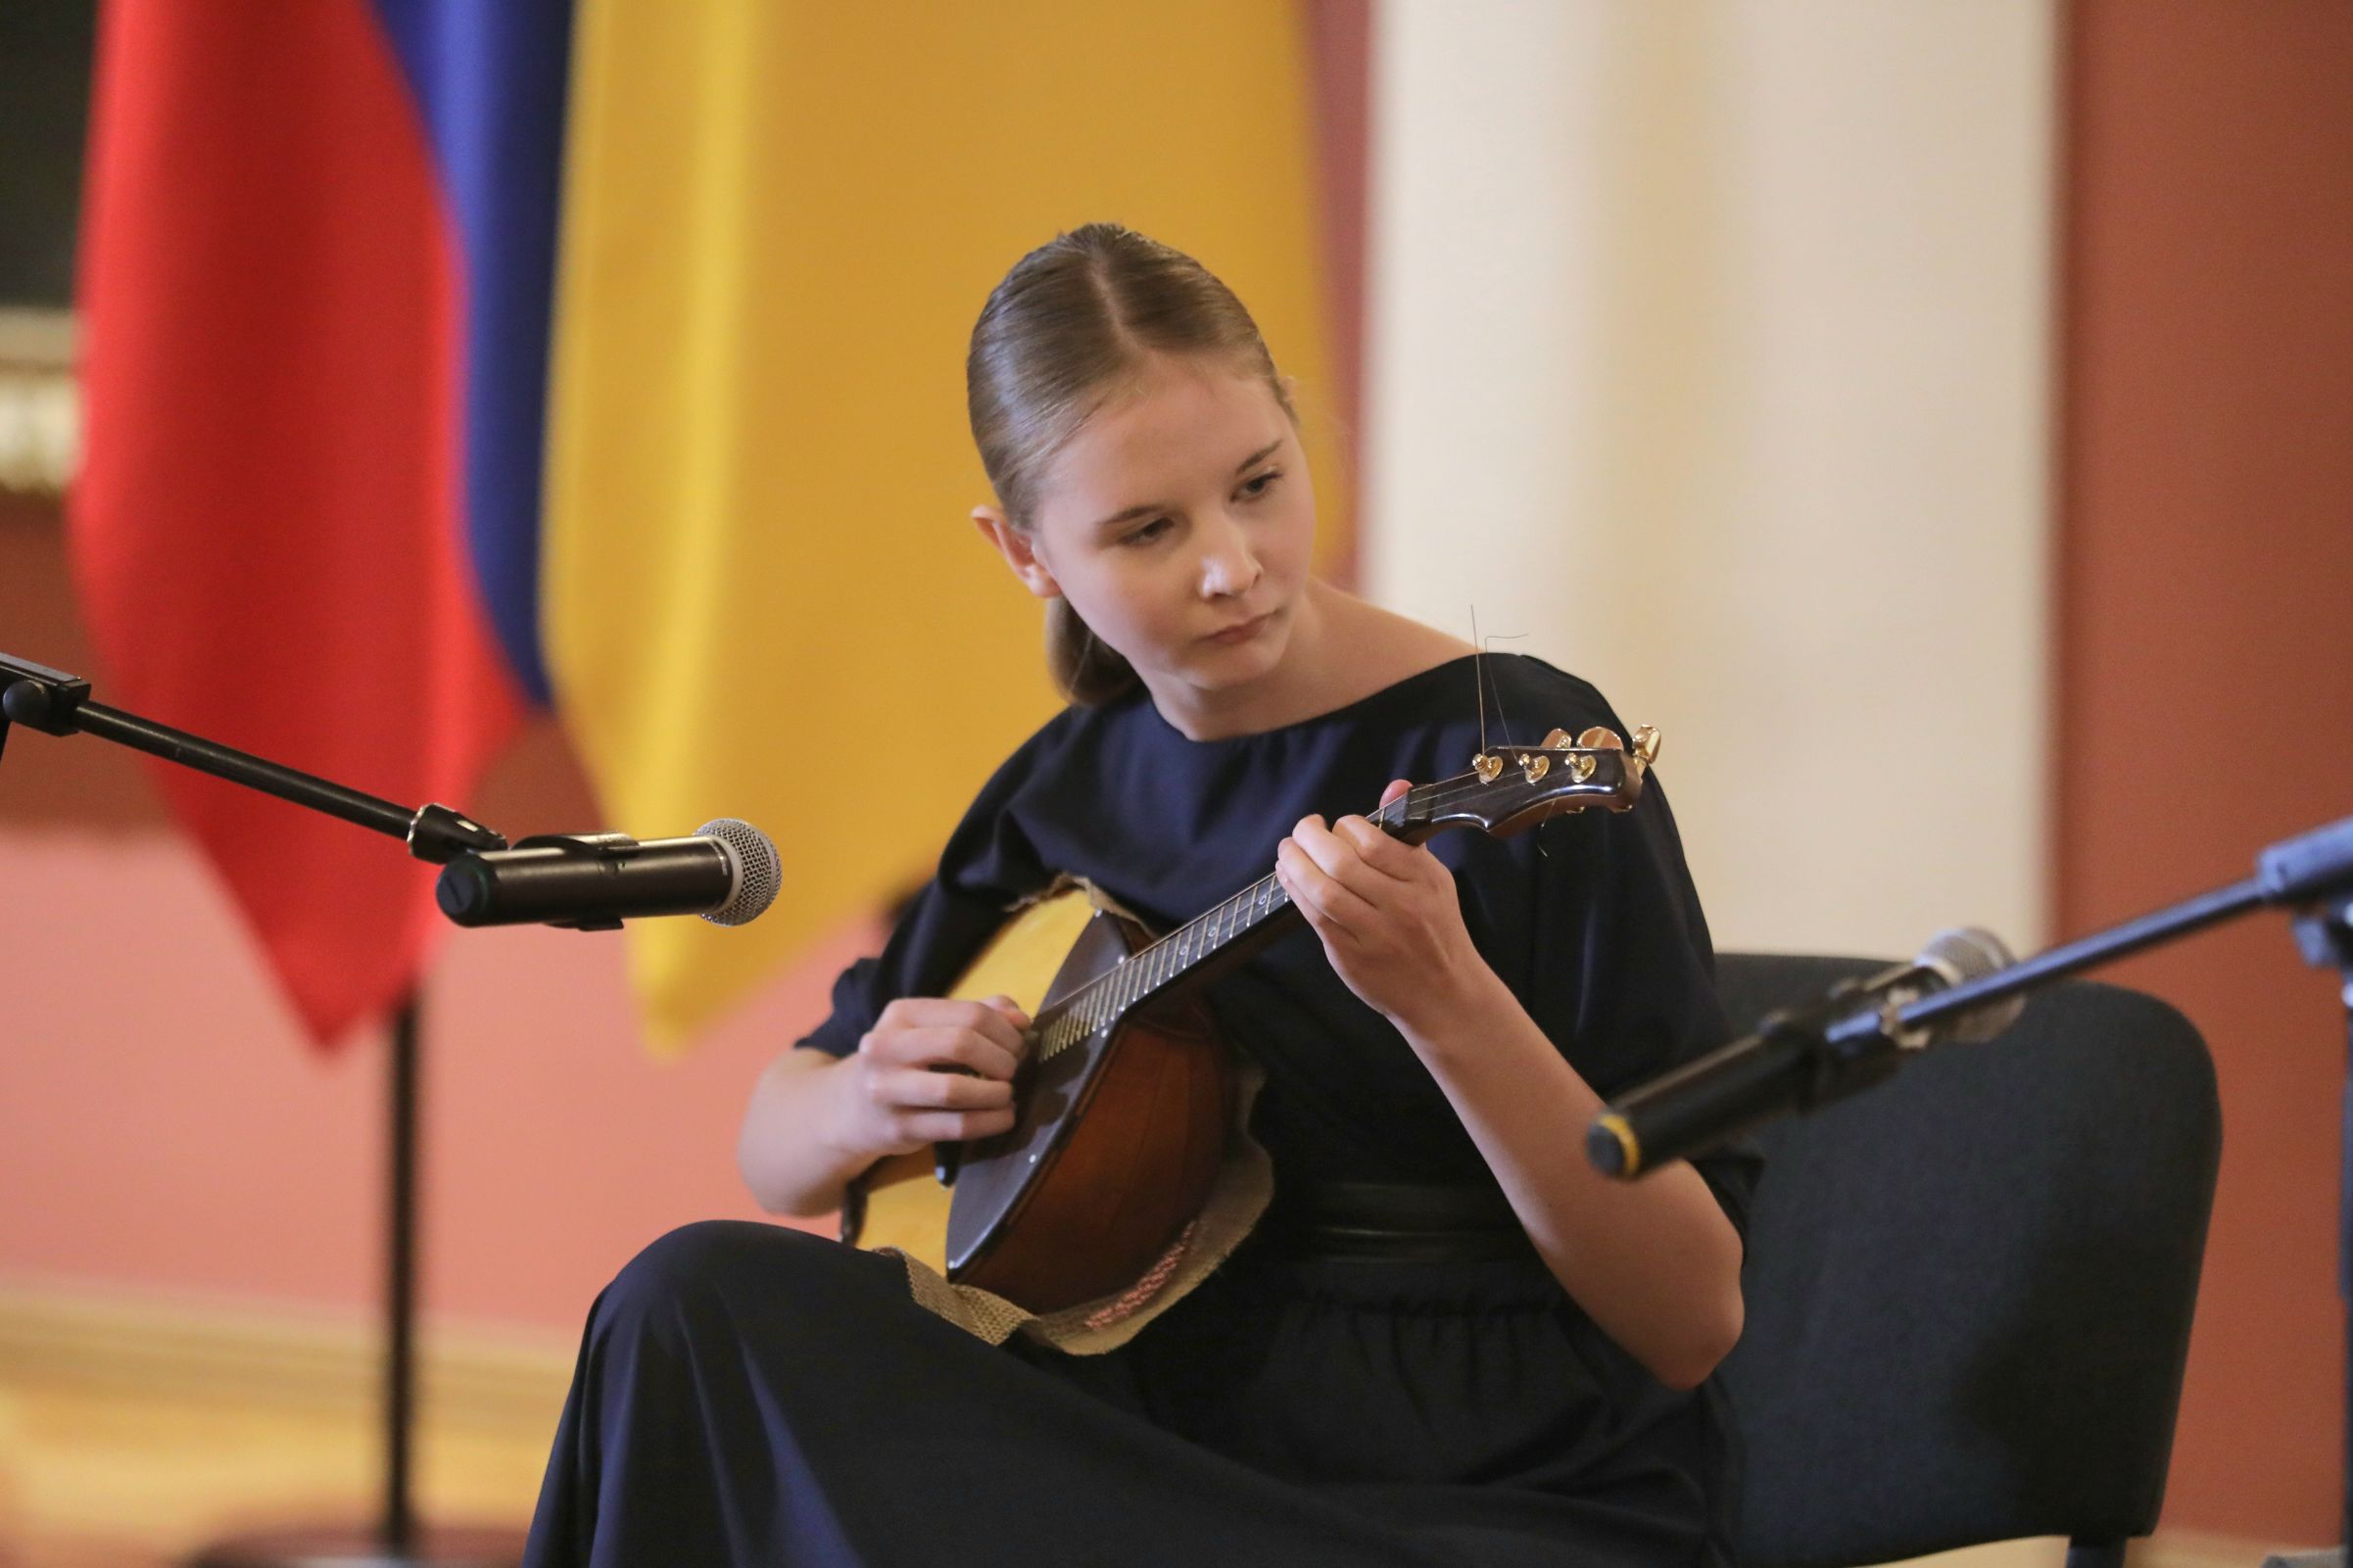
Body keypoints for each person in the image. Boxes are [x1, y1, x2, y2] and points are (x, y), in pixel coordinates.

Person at [523, 223, 1756, 1568]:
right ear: (1025, 553)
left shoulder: (1515, 743)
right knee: (686, 1301)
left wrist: (1447, 1001)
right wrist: (871, 1093)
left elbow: (1691, 1313)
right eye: (1148, 528)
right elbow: (777, 1146)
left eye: (1257, 483)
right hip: (1124, 1414)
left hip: (1486, 1472)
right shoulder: (1061, 788)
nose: (1229, 563)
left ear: (1294, 428)